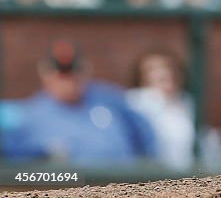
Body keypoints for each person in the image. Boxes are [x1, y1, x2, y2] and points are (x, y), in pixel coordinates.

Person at [1, 40, 156, 166]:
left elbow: (146, 139)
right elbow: (17, 173)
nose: (68, 78)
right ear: (45, 73)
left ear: (85, 69)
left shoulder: (110, 99)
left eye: (73, 69)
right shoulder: (30, 118)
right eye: (61, 71)